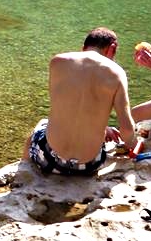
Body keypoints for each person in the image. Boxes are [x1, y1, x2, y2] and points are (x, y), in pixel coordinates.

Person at [24, 27, 139, 176]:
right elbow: (127, 131)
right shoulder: (117, 74)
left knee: (41, 125)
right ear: (112, 48)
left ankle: (23, 173)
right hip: (90, 164)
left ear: (84, 48)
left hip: (48, 160)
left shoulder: (58, 62)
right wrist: (134, 145)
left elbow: (64, 110)